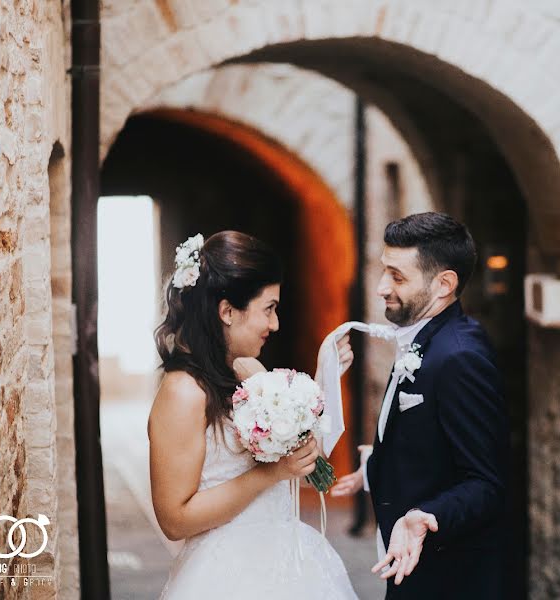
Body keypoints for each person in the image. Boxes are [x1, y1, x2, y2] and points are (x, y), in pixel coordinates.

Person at [148, 230, 358, 599]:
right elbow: (174, 519)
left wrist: (321, 385)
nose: (275, 324)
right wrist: (272, 473)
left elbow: (314, 473)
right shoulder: (182, 394)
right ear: (227, 311)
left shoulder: (251, 372)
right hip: (225, 577)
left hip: (291, 564)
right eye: (269, 308)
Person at [333, 213, 508, 599]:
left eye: (397, 277)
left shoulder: (460, 358)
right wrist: (381, 459)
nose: (380, 288)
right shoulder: (426, 339)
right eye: (384, 272)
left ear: (444, 284)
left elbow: (486, 482)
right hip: (412, 568)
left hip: (449, 578)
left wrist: (427, 516)